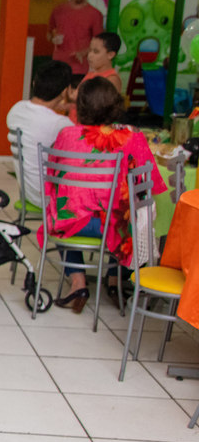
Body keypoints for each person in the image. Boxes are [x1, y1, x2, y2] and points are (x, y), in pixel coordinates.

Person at [43, 79, 166, 312]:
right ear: (114, 105)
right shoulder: (131, 136)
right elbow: (146, 187)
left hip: (70, 224)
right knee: (125, 210)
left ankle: (78, 282)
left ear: (81, 106)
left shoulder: (66, 134)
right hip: (113, 227)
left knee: (64, 208)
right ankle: (114, 280)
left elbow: (52, 180)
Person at [6, 59, 73, 208]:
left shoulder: (16, 109)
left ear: (34, 83)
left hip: (27, 191)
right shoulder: (60, 123)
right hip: (50, 197)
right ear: (65, 91)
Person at [48, 0, 105, 76]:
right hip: (58, 62)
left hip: (79, 65)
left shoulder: (94, 14)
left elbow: (99, 41)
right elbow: (49, 33)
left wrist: (83, 52)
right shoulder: (58, 10)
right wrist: (53, 39)